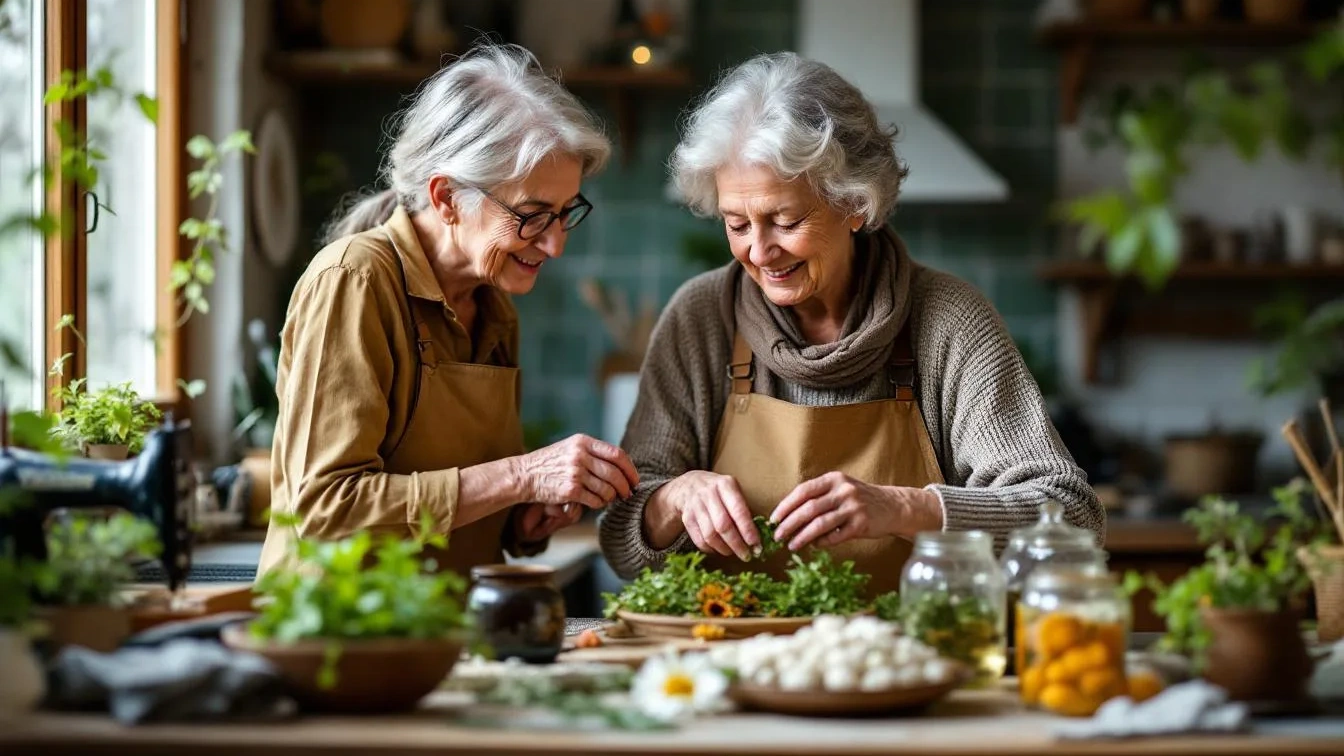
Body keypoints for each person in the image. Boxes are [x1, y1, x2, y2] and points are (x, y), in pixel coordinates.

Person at [598, 53, 1103, 594]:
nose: (761, 251)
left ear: (856, 203)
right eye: (737, 223)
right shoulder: (700, 319)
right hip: (735, 661)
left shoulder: (949, 322)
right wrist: (673, 500)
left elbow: (1072, 519)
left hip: (910, 660)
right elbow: (622, 537)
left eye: (786, 220)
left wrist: (906, 506)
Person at [258, 44, 638, 577]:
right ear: (446, 199)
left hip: (445, 631)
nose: (554, 245)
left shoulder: (493, 305)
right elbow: (324, 510)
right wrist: (522, 476)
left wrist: (523, 517)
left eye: (563, 213)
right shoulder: (355, 280)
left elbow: (462, 499)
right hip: (338, 634)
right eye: (531, 215)